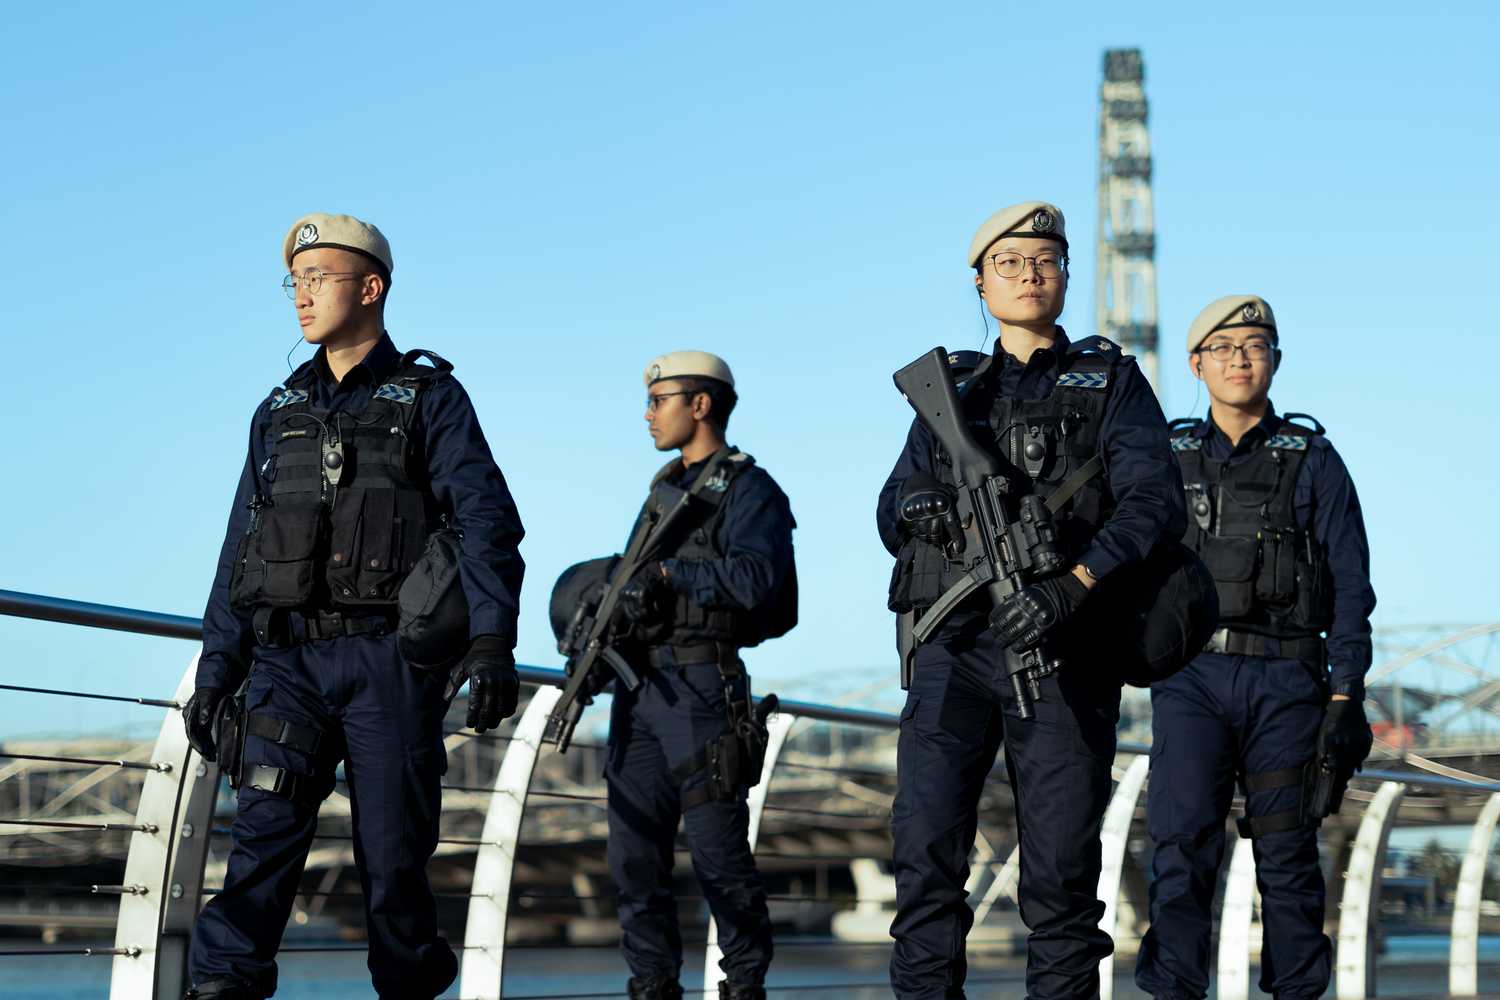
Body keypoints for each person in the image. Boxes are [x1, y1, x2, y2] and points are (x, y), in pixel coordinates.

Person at [180, 213, 526, 1000]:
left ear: (370, 288)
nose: (300, 296)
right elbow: (241, 548)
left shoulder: (431, 398)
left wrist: (491, 642)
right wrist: (215, 673)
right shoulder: (277, 411)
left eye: (318, 279)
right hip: (285, 664)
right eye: (293, 281)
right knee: (258, 853)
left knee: (393, 868)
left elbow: (486, 524)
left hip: (388, 665)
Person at [878, 202, 1186, 999]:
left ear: (1066, 276)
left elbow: (1153, 503)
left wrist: (1072, 585)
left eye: (1045, 260)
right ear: (980, 283)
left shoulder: (1111, 381)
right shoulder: (949, 388)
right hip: (952, 649)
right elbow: (894, 500)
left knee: (1059, 882)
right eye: (1010, 262)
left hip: (1064, 647)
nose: (1029, 274)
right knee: (925, 866)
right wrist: (916, 507)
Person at [1135, 295, 1375, 1000]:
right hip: (1192, 680)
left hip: (1286, 684)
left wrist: (1347, 694)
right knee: (1179, 856)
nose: (1240, 358)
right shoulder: (1165, 459)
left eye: (1256, 345)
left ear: (1275, 361)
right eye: (1225, 346)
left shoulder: (1315, 461)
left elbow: (1353, 586)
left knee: (1290, 860)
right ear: (1196, 364)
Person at [592, 351, 795, 1000]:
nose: (649, 414)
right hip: (640, 691)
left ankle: (743, 987)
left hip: (703, 692)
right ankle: (651, 986)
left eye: (660, 400)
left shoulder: (748, 489)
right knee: (632, 860)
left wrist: (673, 576)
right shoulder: (663, 491)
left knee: (719, 859)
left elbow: (765, 585)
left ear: (700, 405)